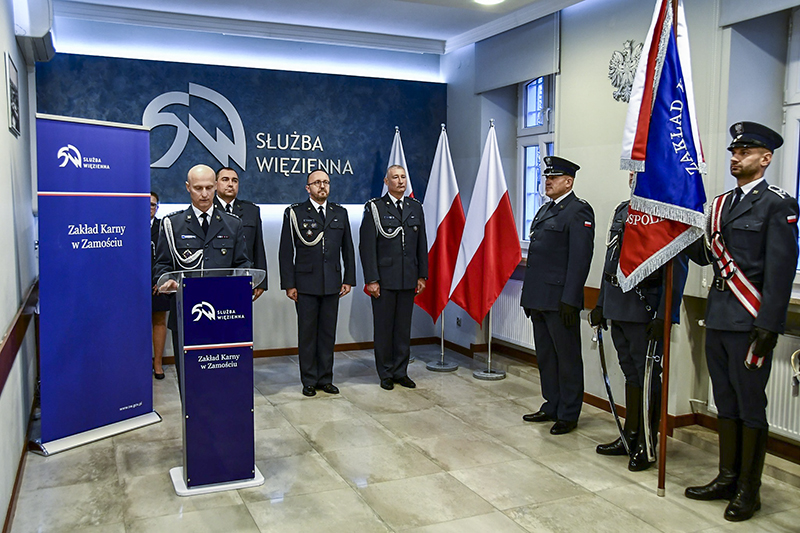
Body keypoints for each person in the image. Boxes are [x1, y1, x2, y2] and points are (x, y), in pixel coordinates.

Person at [684, 122, 798, 522]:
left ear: (765, 159)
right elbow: (706, 255)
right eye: (734, 151)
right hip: (718, 318)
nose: (736, 157)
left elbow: (781, 271)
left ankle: (750, 491)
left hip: (751, 324)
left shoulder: (777, 204)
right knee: (725, 403)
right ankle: (726, 478)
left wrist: (770, 325)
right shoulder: (720, 205)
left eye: (745, 152)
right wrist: (677, 225)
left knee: (751, 407)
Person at [590, 172, 687, 470]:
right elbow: (612, 260)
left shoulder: (665, 214)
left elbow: (677, 269)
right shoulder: (623, 210)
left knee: (647, 377)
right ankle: (630, 434)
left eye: (641, 171)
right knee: (631, 375)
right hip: (618, 305)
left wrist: (664, 315)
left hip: (644, 308)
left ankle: (646, 442)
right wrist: (601, 304)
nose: (634, 176)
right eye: (632, 171)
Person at [154, 164, 252, 390]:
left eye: (209, 187)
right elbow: (162, 264)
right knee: (190, 383)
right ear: (188, 187)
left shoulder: (232, 223)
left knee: (222, 383)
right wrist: (165, 281)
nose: (205, 194)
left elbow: (242, 263)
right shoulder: (173, 224)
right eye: (198, 188)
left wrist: (246, 279)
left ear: (217, 187)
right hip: (186, 314)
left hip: (225, 315)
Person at [520, 156, 594, 435]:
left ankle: (569, 412)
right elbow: (537, 258)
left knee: (567, 358)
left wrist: (571, 298)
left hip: (560, 299)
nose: (547, 181)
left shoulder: (578, 211)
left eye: (554, 177)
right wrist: (529, 297)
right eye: (545, 177)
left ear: (568, 181)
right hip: (539, 297)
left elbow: (580, 259)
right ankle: (552, 404)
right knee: (547, 357)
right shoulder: (544, 211)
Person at [279, 170, 356, 397]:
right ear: (307, 187)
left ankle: (326, 378)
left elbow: (348, 249)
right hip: (304, 283)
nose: (322, 186)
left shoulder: (339, 213)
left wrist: (348, 279)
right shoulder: (295, 213)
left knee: (327, 333)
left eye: (326, 182)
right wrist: (289, 284)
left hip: (332, 282)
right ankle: (309, 380)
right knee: (308, 333)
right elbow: (285, 251)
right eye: (317, 183)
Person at [359, 165, 427, 390]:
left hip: (408, 278)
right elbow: (367, 247)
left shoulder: (415, 207)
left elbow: (421, 245)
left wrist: (422, 275)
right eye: (395, 177)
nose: (400, 181)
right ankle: (386, 373)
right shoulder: (375, 208)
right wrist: (372, 279)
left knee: (403, 328)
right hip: (384, 280)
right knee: (384, 327)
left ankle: (401, 371)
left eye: (403, 177)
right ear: (386, 182)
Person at [214, 166, 268, 300]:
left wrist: (261, 281)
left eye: (235, 180)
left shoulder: (251, 210)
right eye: (225, 180)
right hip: (214, 277)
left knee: (240, 319)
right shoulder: (207, 209)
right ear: (215, 184)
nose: (230, 184)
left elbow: (258, 247)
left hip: (243, 277)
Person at [150, 191, 169, 380]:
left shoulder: (164, 226)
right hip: (133, 284)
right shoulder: (129, 225)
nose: (150, 208)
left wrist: (160, 279)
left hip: (158, 282)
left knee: (159, 321)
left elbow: (167, 255)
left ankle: (158, 363)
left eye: (153, 204)